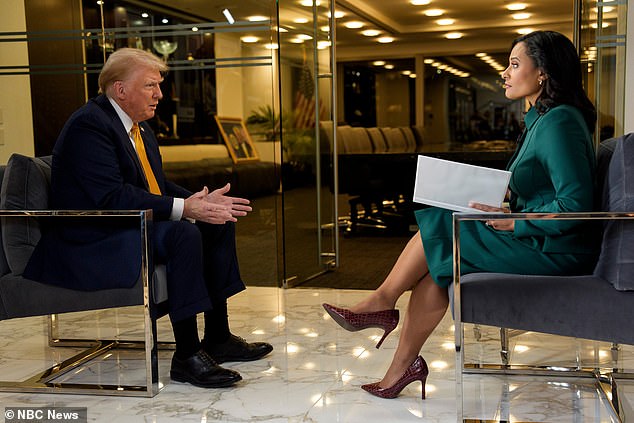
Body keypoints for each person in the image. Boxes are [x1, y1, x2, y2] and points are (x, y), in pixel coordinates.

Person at [323, 30, 600, 399]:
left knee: (441, 225)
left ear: (543, 73)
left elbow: (575, 207)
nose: (505, 73)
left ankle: (382, 304)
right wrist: (508, 209)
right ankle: (399, 365)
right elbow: (546, 194)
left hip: (558, 249)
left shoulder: (560, 122)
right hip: (540, 237)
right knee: (441, 263)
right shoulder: (543, 120)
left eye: (514, 65)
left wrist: (517, 220)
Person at [24, 48, 272, 389]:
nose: (160, 94)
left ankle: (218, 337)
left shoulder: (140, 129)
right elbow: (111, 198)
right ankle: (186, 356)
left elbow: (153, 184)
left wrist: (199, 202)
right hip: (92, 236)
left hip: (129, 223)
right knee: (182, 235)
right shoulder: (89, 125)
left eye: (159, 85)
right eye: (150, 86)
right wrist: (185, 209)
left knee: (217, 221)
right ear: (120, 89)